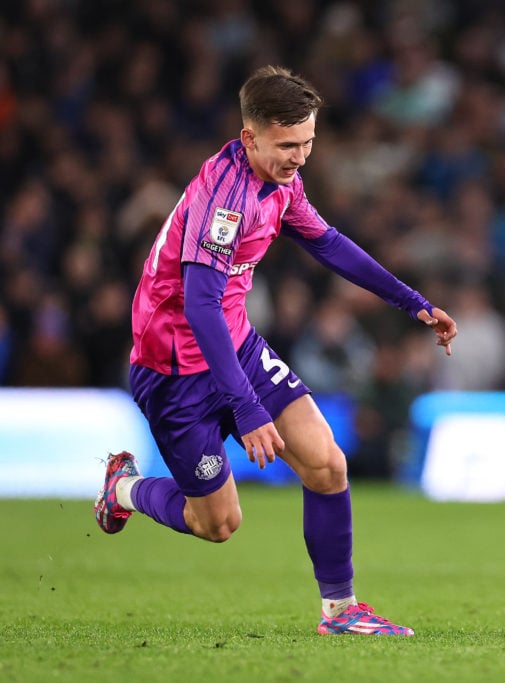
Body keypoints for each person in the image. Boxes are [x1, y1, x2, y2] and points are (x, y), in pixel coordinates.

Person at [94, 65, 457, 637]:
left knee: (327, 463)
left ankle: (340, 611)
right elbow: (200, 304)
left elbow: (328, 242)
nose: (299, 156)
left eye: (308, 142)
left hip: (233, 342)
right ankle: (123, 489)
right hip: (174, 368)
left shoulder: (282, 181)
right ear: (249, 137)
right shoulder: (224, 200)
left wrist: (410, 301)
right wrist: (246, 407)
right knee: (216, 524)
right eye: (288, 145)